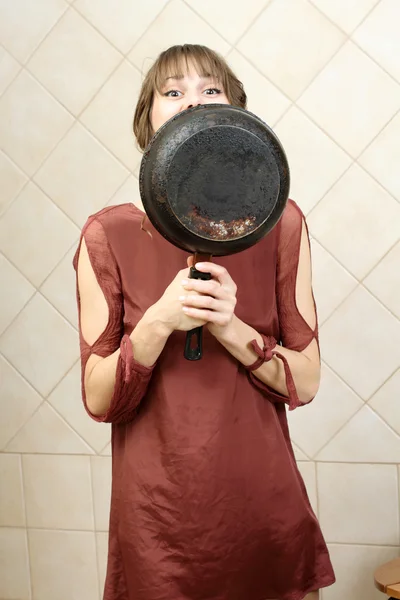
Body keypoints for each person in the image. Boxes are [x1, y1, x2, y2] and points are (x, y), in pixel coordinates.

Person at [74, 44, 335, 600]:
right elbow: (98, 398)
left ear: (236, 114)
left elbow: (306, 379)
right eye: (172, 92)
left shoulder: (281, 223)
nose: (192, 101)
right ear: (148, 121)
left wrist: (232, 329)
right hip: (158, 534)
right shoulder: (108, 235)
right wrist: (159, 322)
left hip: (264, 515)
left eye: (209, 90)